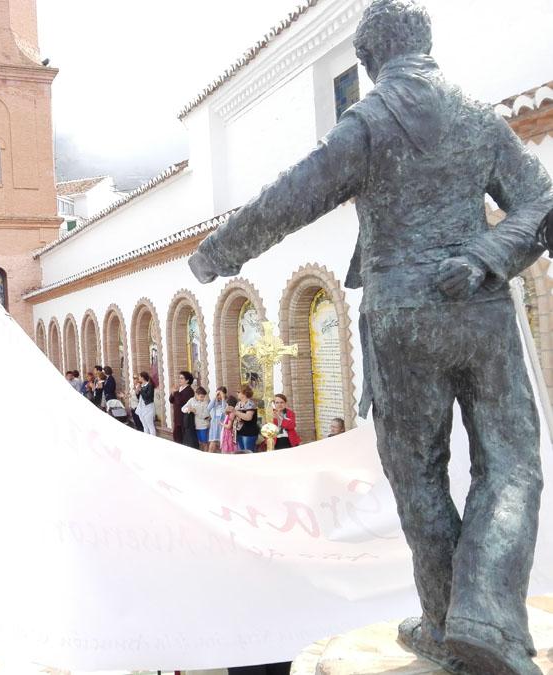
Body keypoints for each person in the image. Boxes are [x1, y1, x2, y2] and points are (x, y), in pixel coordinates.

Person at [188, 2, 553, 669]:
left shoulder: (368, 122)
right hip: (481, 310)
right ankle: (477, 618)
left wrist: (217, 254)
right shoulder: (480, 119)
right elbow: (543, 201)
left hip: (401, 315)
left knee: (419, 476)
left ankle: (457, 622)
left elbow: (288, 198)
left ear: (369, 59)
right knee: (512, 463)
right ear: (425, 45)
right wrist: (487, 255)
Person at [168, 371, 195, 444]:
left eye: (182, 378)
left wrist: (176, 392)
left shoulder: (189, 391)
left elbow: (180, 402)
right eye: (179, 378)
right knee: (176, 437)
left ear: (187, 380)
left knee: (182, 438)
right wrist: (172, 393)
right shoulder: (179, 389)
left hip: (183, 418)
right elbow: (171, 400)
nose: (179, 380)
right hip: (177, 417)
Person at [234, 386, 260, 453]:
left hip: (249, 432)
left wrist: (235, 412)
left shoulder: (250, 403)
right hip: (240, 432)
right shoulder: (238, 403)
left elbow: (248, 417)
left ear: (244, 393)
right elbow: (237, 416)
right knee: (242, 453)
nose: (237, 393)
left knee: (248, 453)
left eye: (238, 392)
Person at [208, 386, 228, 452]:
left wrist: (223, 398)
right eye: (218, 394)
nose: (219, 396)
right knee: (212, 446)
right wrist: (215, 397)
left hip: (222, 426)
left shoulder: (226, 403)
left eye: (220, 394)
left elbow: (224, 411)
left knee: (221, 446)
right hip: (214, 426)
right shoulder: (214, 402)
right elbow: (208, 408)